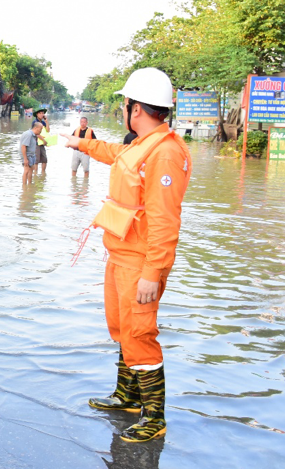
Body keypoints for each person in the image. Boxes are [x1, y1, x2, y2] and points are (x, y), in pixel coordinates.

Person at [62, 67, 192, 443]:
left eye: (125, 103)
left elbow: (166, 222)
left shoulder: (165, 154)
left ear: (135, 108)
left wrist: (154, 271)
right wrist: (79, 143)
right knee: (121, 328)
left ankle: (154, 416)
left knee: (140, 333)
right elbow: (115, 153)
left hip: (140, 261)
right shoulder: (142, 145)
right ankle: (127, 396)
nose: (124, 110)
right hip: (120, 254)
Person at [20, 120, 43, 185]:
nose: (41, 131)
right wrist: (25, 159)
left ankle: (30, 185)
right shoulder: (28, 134)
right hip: (27, 155)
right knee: (26, 171)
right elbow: (23, 146)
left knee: (31, 170)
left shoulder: (34, 135)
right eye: (40, 129)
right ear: (35, 128)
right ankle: (24, 187)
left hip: (32, 155)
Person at [34, 108, 50, 174]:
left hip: (42, 143)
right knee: (36, 160)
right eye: (40, 113)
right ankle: (35, 174)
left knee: (44, 159)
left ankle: (43, 173)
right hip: (36, 143)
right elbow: (36, 133)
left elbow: (48, 130)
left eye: (42, 113)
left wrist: (46, 121)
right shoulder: (35, 122)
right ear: (37, 114)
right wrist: (43, 140)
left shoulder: (43, 122)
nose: (41, 114)